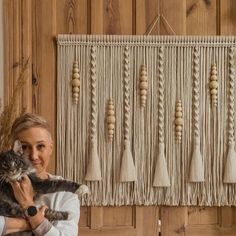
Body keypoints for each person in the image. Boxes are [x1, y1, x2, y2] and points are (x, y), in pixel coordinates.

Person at [0, 113, 80, 235]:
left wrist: (28, 204)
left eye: (40, 146)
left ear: (50, 148)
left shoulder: (66, 194)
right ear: (15, 150)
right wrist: (27, 223)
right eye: (25, 147)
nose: (33, 156)